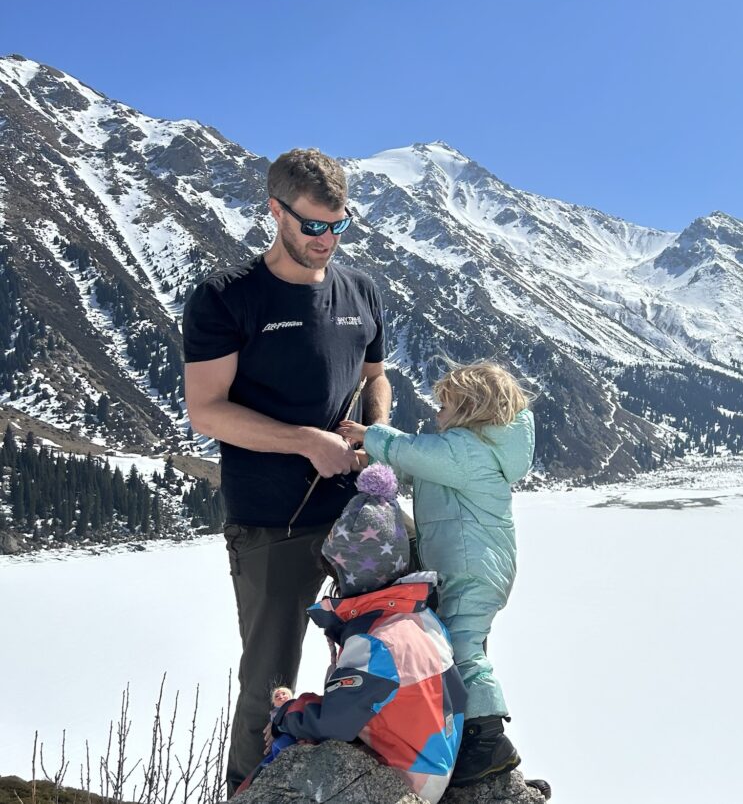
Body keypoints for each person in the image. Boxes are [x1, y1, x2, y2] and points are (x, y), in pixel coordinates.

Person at [182, 148, 392, 796]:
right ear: (276, 212)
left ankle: (373, 779)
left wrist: (374, 434)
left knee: (387, 655)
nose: (327, 240)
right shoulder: (227, 298)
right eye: (313, 226)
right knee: (268, 678)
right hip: (271, 523)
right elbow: (206, 412)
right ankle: (246, 789)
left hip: (357, 512)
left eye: (339, 226)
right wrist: (305, 441)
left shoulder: (362, 290)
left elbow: (376, 377)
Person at [339, 361, 535, 787]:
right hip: (478, 564)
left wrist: (368, 435)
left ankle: (489, 743)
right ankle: (468, 734)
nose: (436, 414)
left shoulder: (465, 451)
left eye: (444, 406)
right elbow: (418, 466)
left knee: (463, 648)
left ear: (469, 409)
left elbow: (413, 451)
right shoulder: (467, 451)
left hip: (470, 565)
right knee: (460, 644)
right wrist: (369, 461)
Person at [268, 463, 467, 804]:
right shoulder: (422, 618)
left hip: (403, 778)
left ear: (348, 574)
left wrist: (288, 716)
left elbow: (336, 721)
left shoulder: (374, 641)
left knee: (286, 750)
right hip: (437, 765)